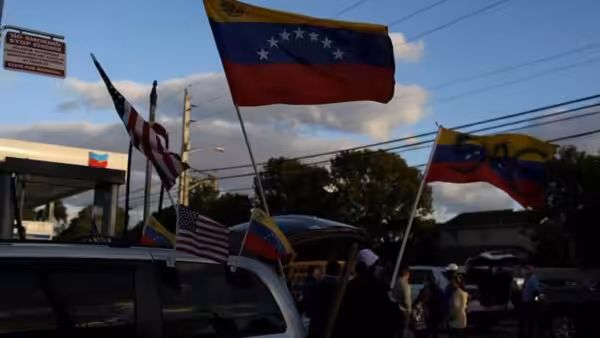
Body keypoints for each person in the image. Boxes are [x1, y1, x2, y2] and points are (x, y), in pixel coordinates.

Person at [304, 260, 340, 338]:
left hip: (317, 326)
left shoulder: (318, 285)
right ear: (338, 271)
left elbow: (309, 303)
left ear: (326, 270)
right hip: (332, 326)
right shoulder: (340, 288)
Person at [519, 264, 540, 338]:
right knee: (525, 320)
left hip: (529, 302)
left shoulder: (532, 279)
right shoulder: (527, 279)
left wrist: (534, 301)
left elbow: (536, 291)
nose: (524, 272)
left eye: (526, 270)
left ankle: (529, 334)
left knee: (529, 320)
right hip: (525, 301)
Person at [391, 267, 411, 338]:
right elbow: (407, 298)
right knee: (404, 330)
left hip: (396, 308)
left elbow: (392, 295)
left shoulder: (396, 282)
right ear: (407, 274)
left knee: (397, 330)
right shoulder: (405, 284)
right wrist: (409, 309)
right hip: (403, 309)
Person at [447, 274, 468, 338]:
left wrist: (450, 318)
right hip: (462, 320)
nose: (451, 283)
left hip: (456, 322)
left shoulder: (456, 293)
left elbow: (456, 308)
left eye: (453, 281)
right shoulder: (465, 293)